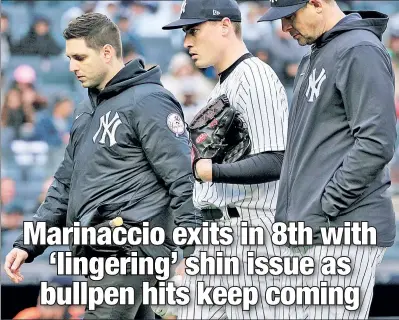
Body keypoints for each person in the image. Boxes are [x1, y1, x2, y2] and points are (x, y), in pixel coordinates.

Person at [4, 12, 202, 320]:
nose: (72, 66)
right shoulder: (87, 110)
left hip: (132, 252)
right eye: (70, 58)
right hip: (102, 254)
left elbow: (183, 180)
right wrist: (28, 243)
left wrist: (193, 252)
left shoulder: (149, 100)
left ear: (107, 52)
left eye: (80, 57)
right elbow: (64, 185)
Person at [258, 0, 397, 319]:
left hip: (344, 228)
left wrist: (324, 207)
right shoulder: (318, 52)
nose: (284, 28)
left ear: (317, 3)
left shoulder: (359, 49)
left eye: (290, 16)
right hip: (312, 230)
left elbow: (376, 143)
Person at [160, 0, 289, 318]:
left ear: (224, 26)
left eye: (193, 30)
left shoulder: (254, 78)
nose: (187, 41)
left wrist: (211, 171)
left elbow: (277, 159)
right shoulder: (223, 84)